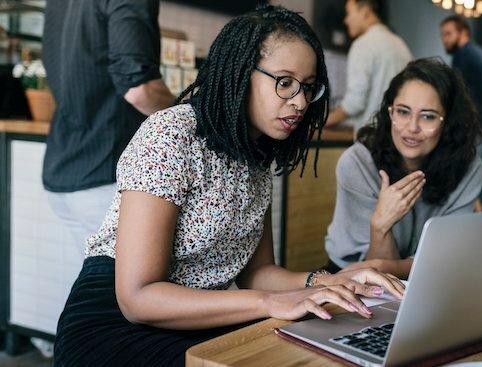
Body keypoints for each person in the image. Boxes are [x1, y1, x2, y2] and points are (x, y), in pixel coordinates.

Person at [53, 6, 404, 367]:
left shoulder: (255, 156)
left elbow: (259, 274)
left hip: (197, 320)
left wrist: (328, 281)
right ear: (239, 74)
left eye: (308, 88)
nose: (299, 101)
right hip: (114, 327)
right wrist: (269, 303)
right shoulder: (171, 135)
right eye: (284, 82)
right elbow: (138, 298)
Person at [324, 58, 482, 279]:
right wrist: (381, 226)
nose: (412, 128)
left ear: (448, 122)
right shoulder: (357, 164)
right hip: (350, 281)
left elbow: (446, 259)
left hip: (427, 279)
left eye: (427, 116)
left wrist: (429, 263)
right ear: (390, 113)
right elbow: (377, 279)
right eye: (403, 112)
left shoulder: (467, 167)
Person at [42, 0, 175, 257]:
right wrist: (190, 113)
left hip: (65, 168)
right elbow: (139, 89)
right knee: (127, 291)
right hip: (107, 175)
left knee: (95, 286)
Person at [440, 15, 482, 211]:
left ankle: (477, 238)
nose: (444, 39)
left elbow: (455, 97)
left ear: (463, 33)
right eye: (442, 35)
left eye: (448, 34)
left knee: (466, 191)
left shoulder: (462, 56)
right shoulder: (480, 54)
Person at [325, 0, 412, 134]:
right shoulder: (401, 45)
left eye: (349, 13)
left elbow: (354, 103)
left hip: (372, 138)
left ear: (365, 11)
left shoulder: (363, 45)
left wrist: (322, 122)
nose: (346, 20)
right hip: (399, 135)